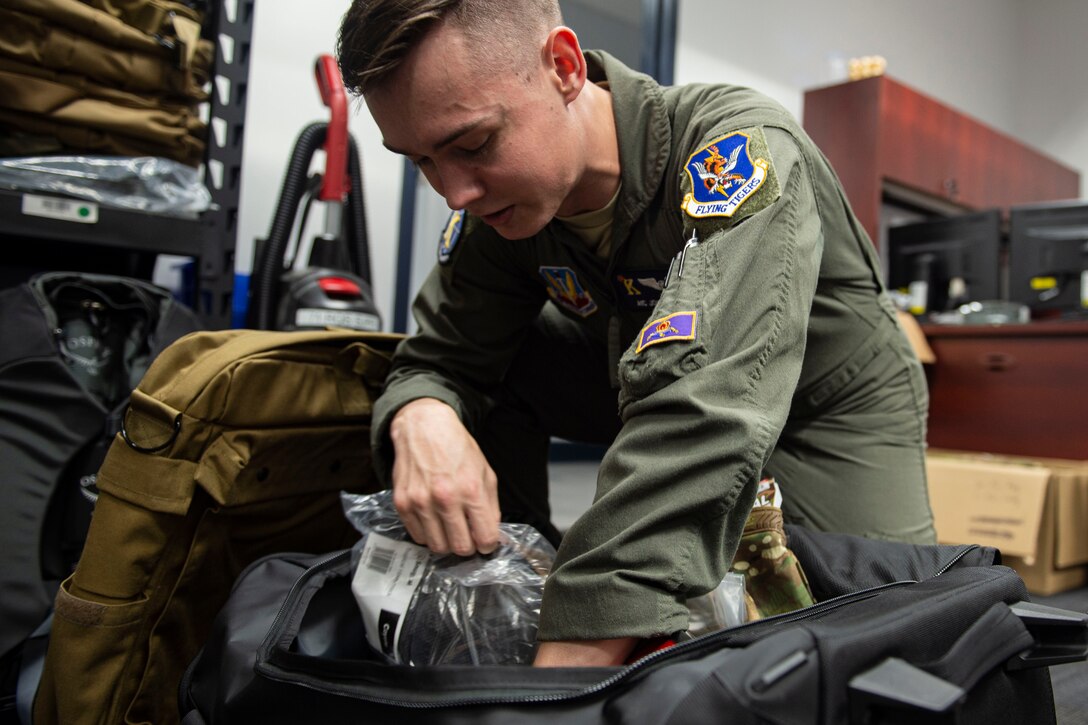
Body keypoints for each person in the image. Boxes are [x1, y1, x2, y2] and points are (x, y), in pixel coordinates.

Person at [336, 0, 937, 667]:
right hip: (644, 380)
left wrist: (562, 679)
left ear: (563, 67)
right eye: (421, 161)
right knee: (478, 380)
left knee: (888, 647)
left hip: (823, 405)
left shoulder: (731, 149)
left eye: (473, 144)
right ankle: (514, 590)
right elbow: (442, 354)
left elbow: (703, 409)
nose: (455, 192)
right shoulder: (499, 208)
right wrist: (422, 413)